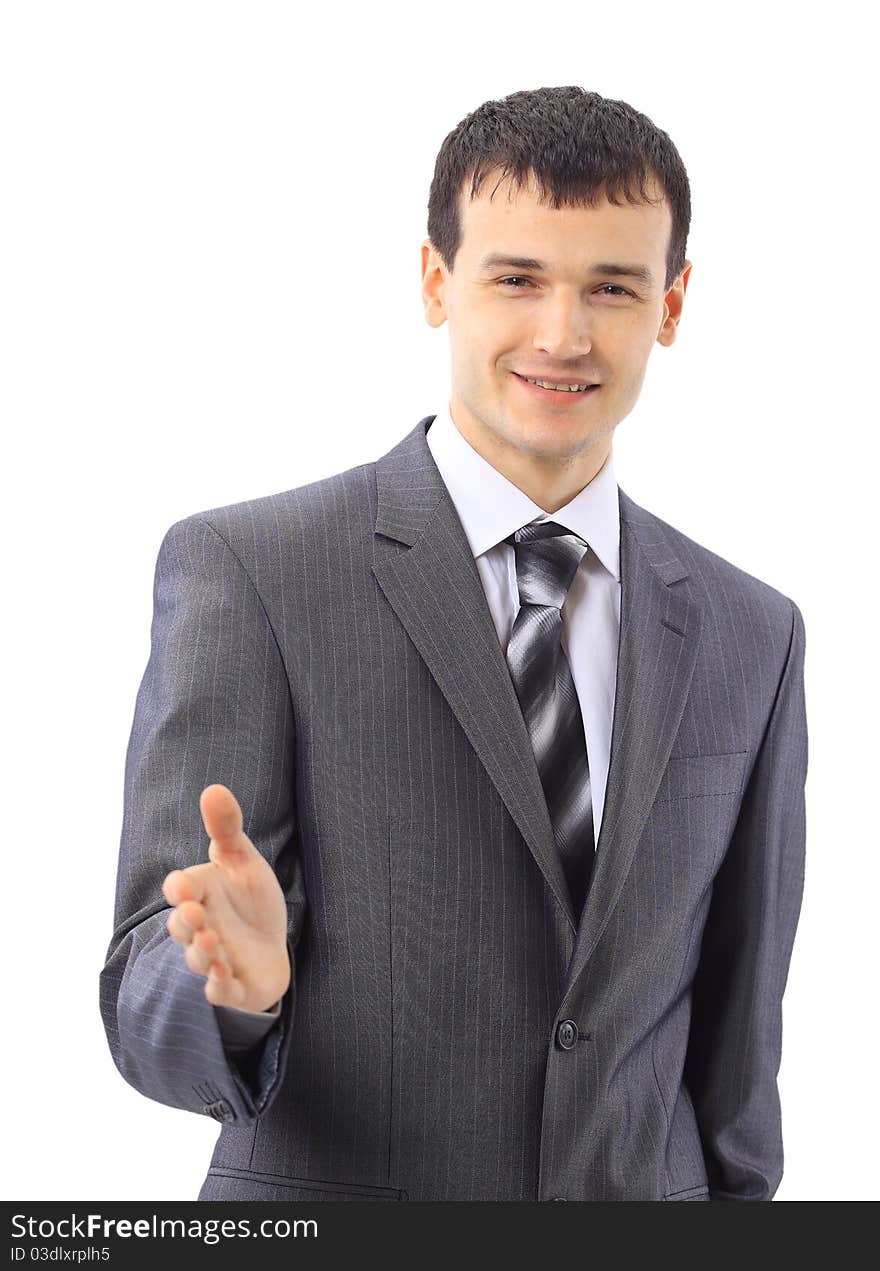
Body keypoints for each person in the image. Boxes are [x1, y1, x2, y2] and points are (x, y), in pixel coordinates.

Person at [99, 85, 808, 1202]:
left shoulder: (749, 631)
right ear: (437, 283)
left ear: (670, 306)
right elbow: (145, 993)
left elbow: (738, 1052)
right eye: (516, 277)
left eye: (611, 288)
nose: (562, 334)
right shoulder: (254, 569)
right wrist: (236, 983)